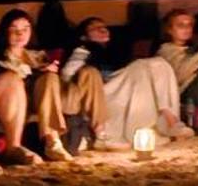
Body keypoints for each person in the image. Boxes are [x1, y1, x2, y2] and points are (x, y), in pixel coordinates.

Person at [66, 15, 190, 147]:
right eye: (95, 28)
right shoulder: (82, 50)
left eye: (104, 27)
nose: (103, 30)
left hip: (119, 86)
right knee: (147, 65)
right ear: (84, 36)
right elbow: (67, 75)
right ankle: (170, 121)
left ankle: (169, 118)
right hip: (102, 91)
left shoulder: (114, 50)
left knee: (159, 64)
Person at [0, 8, 70, 164]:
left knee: (50, 77)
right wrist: (35, 71)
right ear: (5, 32)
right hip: (11, 103)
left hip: (39, 101)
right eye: (14, 29)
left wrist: (47, 70)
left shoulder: (37, 55)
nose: (20, 34)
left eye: (25, 29)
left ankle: (52, 140)